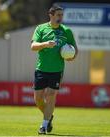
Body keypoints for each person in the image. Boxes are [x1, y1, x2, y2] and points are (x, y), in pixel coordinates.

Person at [30, 4, 78, 134]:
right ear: (51, 15)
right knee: (38, 99)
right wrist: (45, 44)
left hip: (57, 70)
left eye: (62, 15)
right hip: (41, 69)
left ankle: (44, 125)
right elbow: (33, 46)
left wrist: (71, 57)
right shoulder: (41, 28)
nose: (61, 17)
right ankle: (49, 116)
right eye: (58, 15)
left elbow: (74, 49)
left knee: (51, 95)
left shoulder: (66, 31)